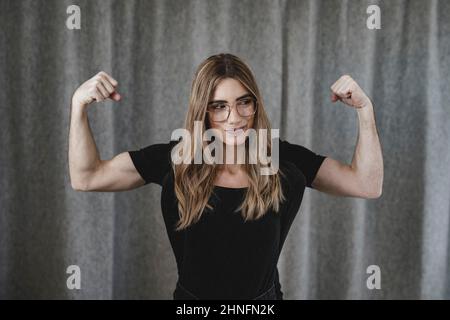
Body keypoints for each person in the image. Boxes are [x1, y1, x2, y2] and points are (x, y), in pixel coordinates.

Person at [68, 53, 383, 300]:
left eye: (243, 102)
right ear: (202, 112)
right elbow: (87, 177)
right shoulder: (179, 158)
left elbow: (366, 185)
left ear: (255, 104)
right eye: (219, 107)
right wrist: (78, 105)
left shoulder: (279, 157)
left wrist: (365, 111)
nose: (235, 118)